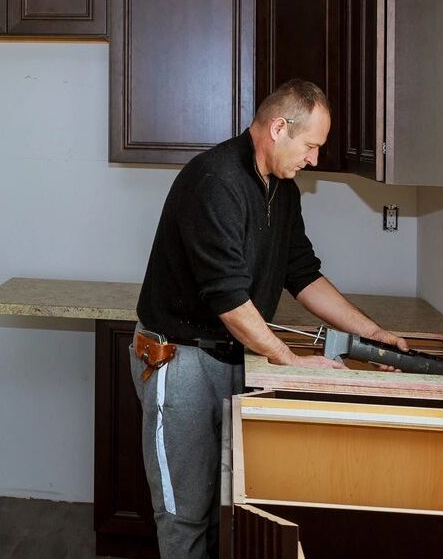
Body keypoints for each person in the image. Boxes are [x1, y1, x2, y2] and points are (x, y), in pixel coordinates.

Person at [130, 79, 408, 559]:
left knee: (227, 512)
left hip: (235, 356)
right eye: (311, 146)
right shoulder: (214, 182)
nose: (314, 159)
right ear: (279, 128)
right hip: (180, 363)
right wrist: (287, 358)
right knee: (184, 516)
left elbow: (302, 274)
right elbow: (227, 298)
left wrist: (372, 331)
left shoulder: (282, 189)